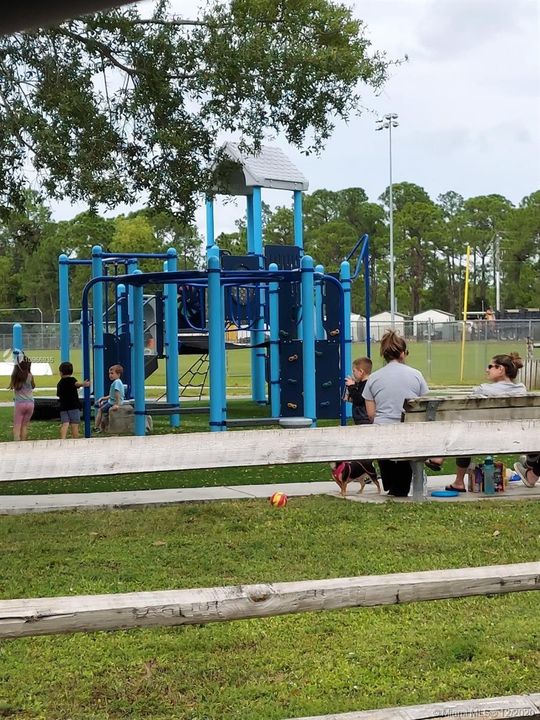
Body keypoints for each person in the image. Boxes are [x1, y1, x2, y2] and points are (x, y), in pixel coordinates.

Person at [445, 352, 537, 492]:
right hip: (519, 439)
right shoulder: (522, 389)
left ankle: (458, 481)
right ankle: (531, 470)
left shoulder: (483, 390)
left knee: (464, 431)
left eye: (490, 366)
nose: (487, 370)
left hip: (484, 439)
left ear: (501, 369)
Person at [362, 330, 437, 497]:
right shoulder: (415, 375)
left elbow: (371, 414)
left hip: (383, 433)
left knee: (383, 438)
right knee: (406, 443)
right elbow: (425, 406)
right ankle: (401, 484)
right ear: (403, 354)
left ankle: (390, 481)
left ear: (383, 354)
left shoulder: (373, 378)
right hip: (408, 432)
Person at [332, 357, 378, 488]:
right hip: (360, 419)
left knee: (365, 449)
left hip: (365, 420)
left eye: (354, 371)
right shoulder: (362, 385)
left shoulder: (367, 385)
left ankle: (367, 471)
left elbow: (359, 399)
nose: (353, 374)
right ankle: (365, 471)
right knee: (361, 448)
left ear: (361, 371)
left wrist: (352, 386)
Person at [56, 362, 90, 439]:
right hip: (74, 406)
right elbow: (77, 384)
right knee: (74, 424)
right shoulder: (72, 380)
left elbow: (58, 394)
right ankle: (75, 439)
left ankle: (63, 438)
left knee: (65, 423)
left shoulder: (60, 383)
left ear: (61, 372)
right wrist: (84, 384)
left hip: (63, 407)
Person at [9, 354, 35, 441]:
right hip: (30, 403)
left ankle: (17, 444)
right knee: (24, 426)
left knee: (17, 426)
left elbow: (13, 386)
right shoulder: (30, 376)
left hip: (20, 404)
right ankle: (24, 444)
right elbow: (33, 386)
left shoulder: (16, 377)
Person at [94, 364, 125, 432]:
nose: (110, 375)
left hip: (112, 403)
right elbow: (112, 395)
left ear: (118, 374)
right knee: (100, 405)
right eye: (109, 373)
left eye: (112, 373)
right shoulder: (117, 382)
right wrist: (103, 398)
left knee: (100, 410)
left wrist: (117, 404)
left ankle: (96, 427)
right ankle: (102, 427)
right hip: (111, 401)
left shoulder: (116, 382)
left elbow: (117, 394)